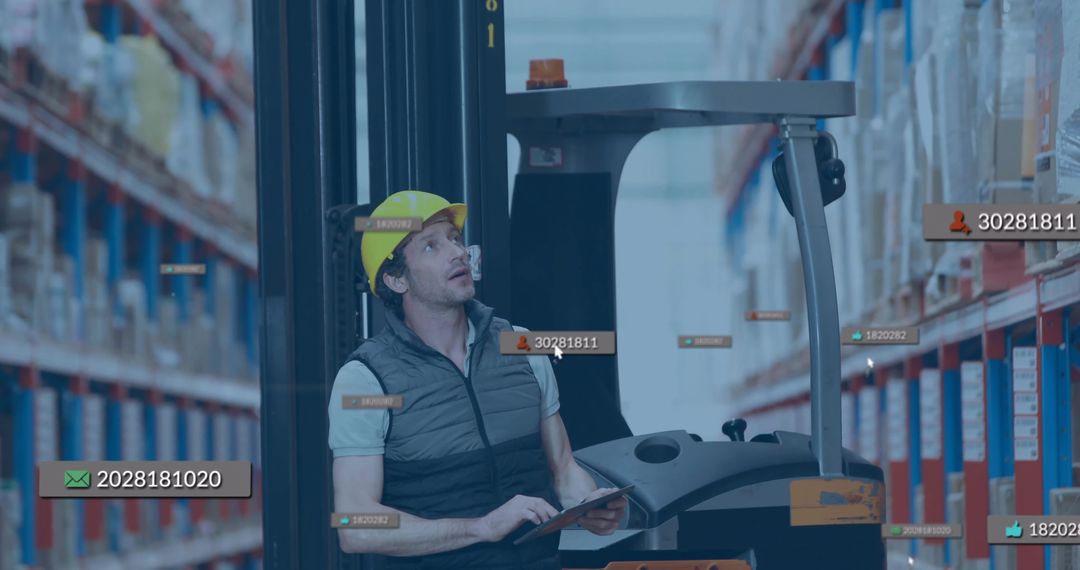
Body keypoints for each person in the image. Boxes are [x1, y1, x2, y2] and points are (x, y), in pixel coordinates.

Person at [329, 190, 627, 569]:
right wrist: (481, 527)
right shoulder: (365, 380)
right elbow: (356, 527)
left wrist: (590, 505)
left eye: (455, 238)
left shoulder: (522, 347)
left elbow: (564, 470)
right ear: (396, 279)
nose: (457, 252)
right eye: (431, 247)